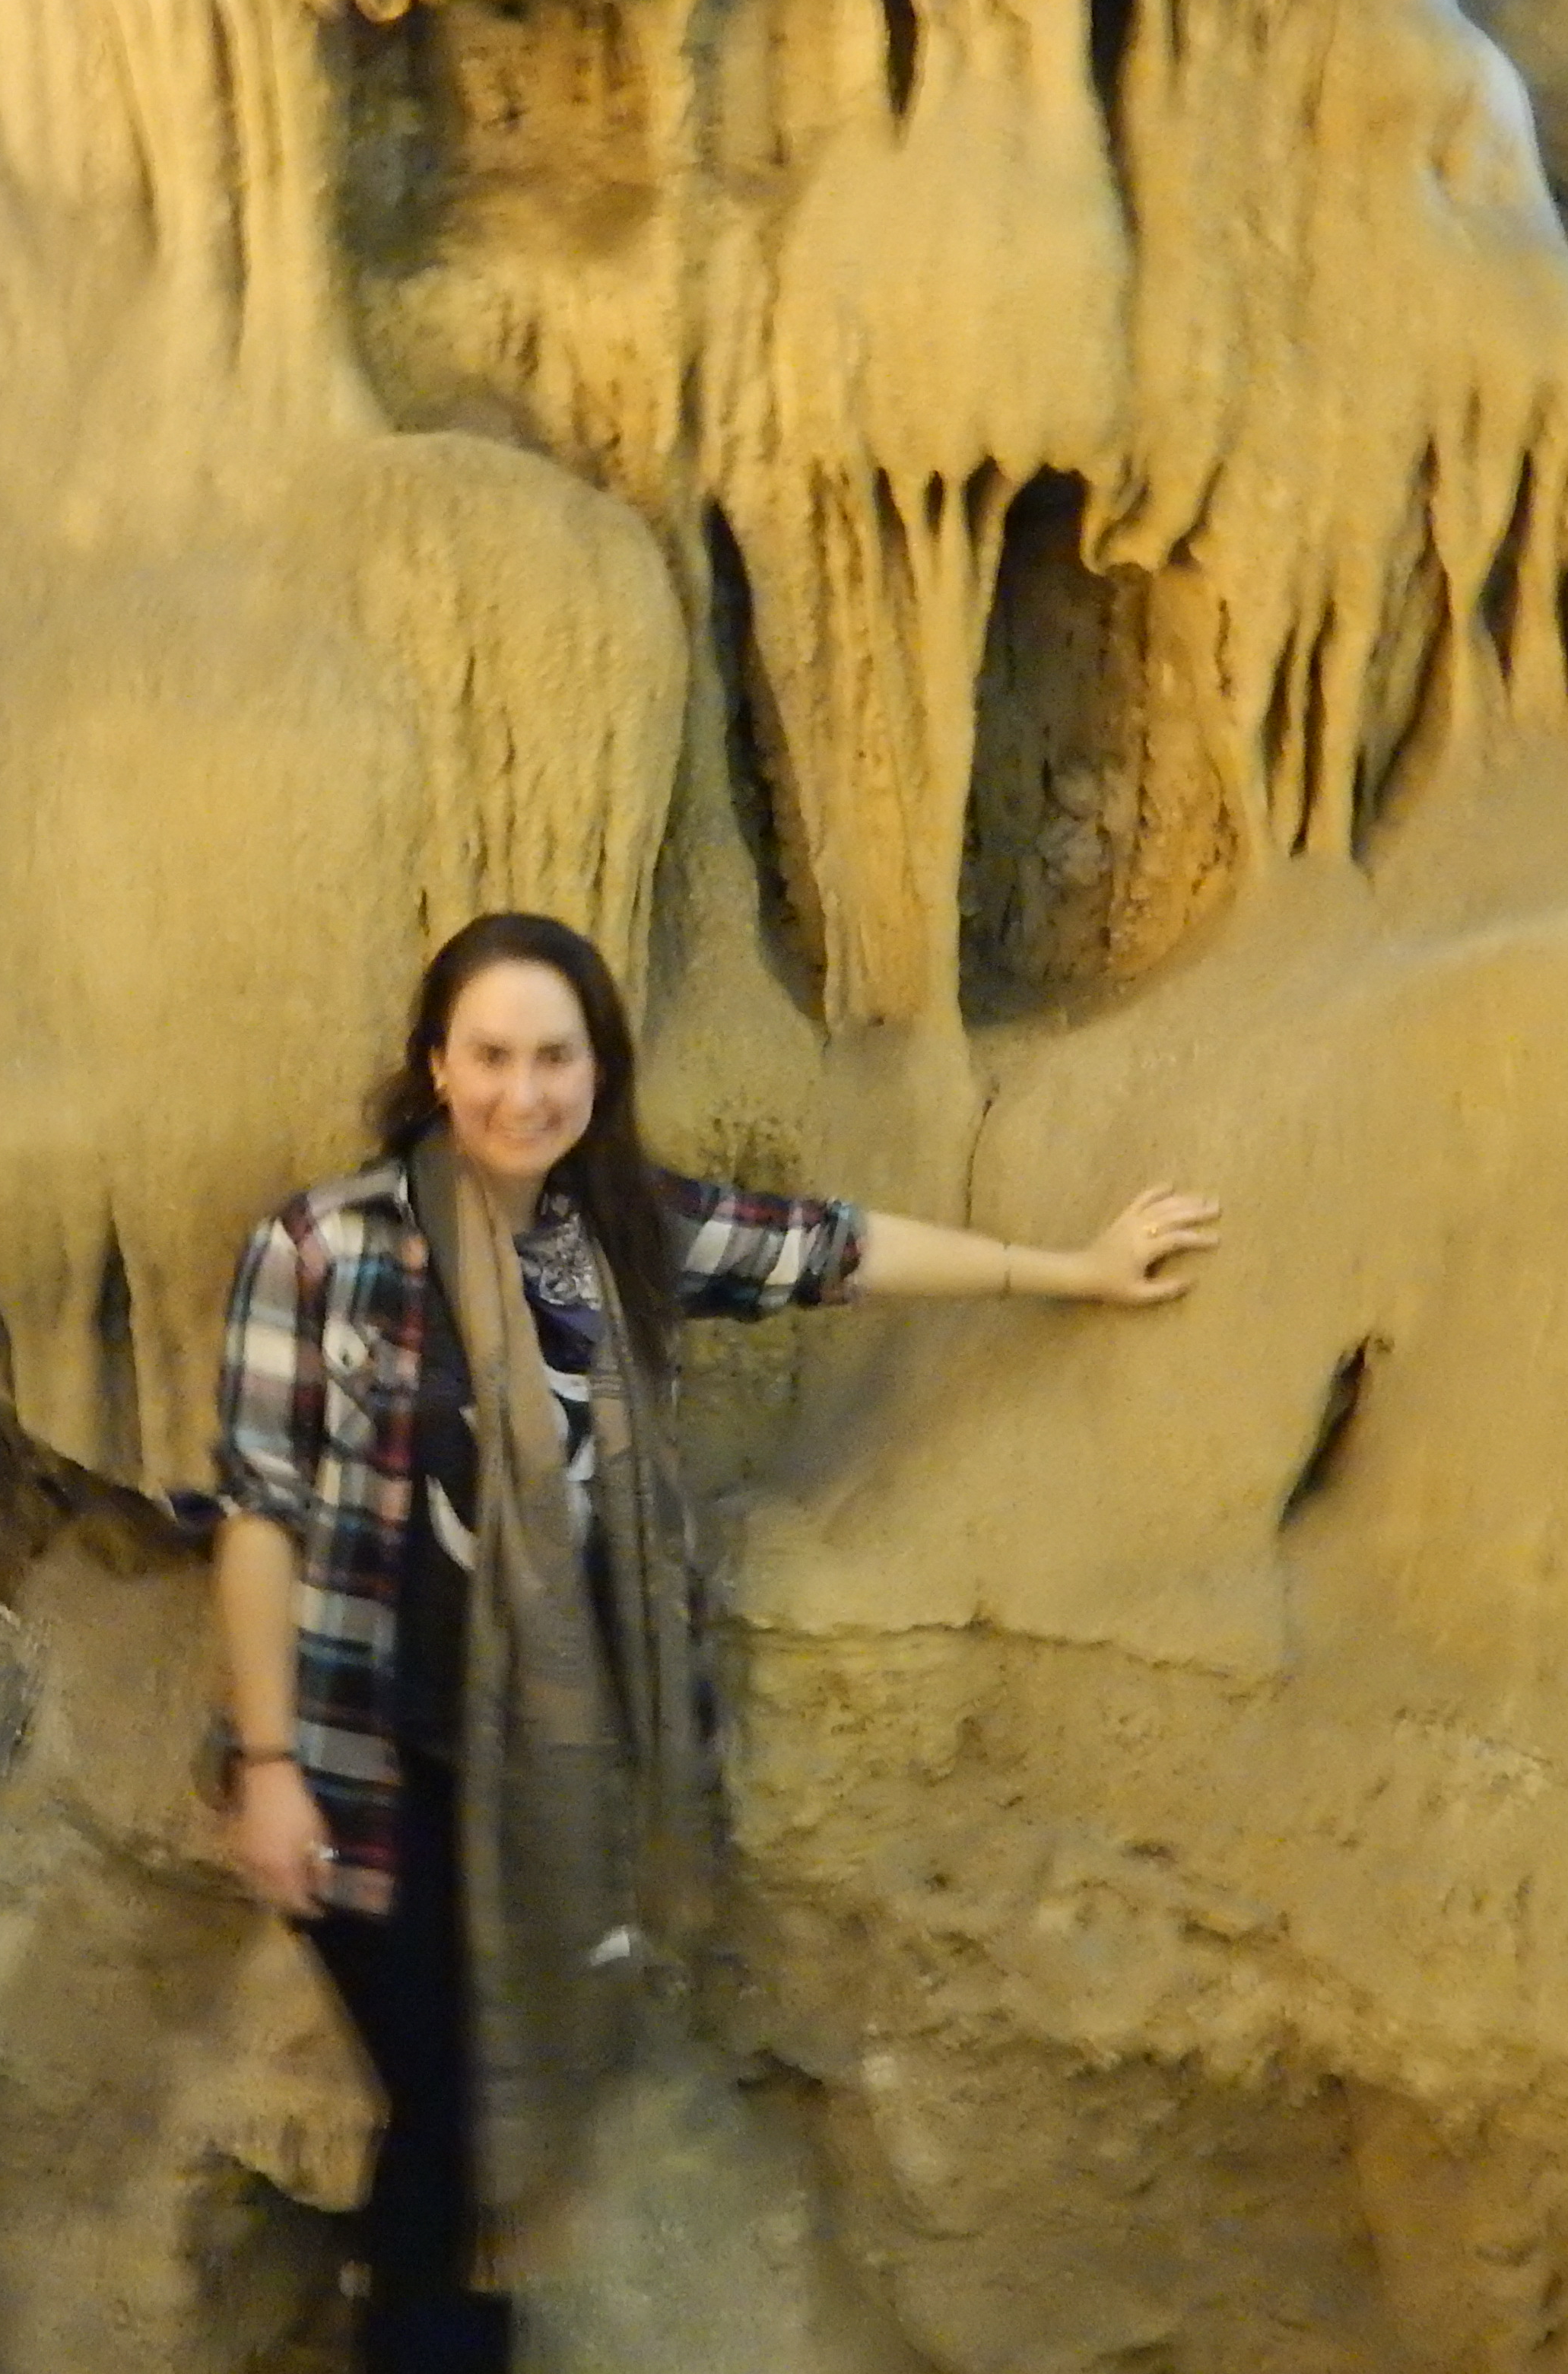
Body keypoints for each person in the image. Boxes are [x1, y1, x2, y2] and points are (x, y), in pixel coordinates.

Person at [195, 911, 1218, 2372]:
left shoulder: (619, 1239)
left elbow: (835, 1253)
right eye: (489, 1055)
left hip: (548, 1778)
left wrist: (1067, 1268)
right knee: (448, 2107)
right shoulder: (323, 1247)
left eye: (555, 1057)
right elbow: (258, 1513)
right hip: (358, 1765)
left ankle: (443, 2314)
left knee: (472, 2116)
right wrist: (268, 1759)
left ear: (597, 1072)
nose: (522, 1091)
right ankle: (436, 2331)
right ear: (436, 1064)